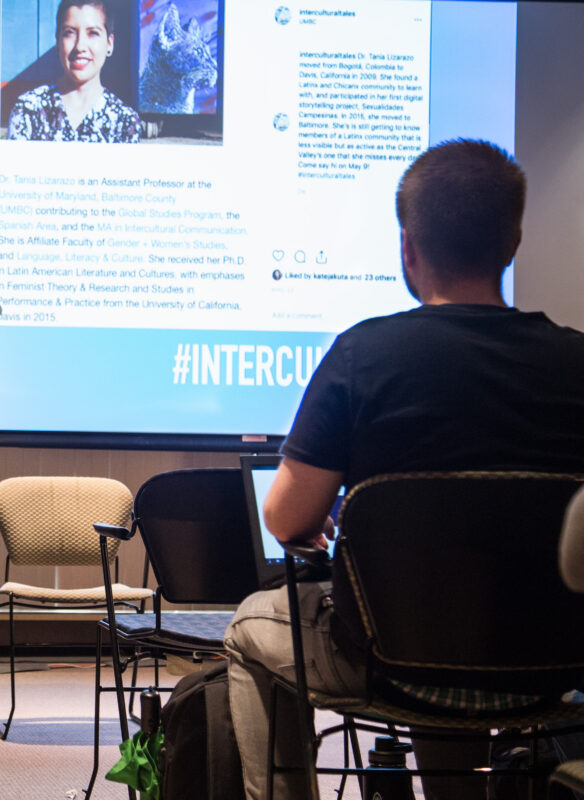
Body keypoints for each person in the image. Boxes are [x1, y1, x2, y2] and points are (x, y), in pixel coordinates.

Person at [223, 139, 584, 800]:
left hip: (395, 661)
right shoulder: (577, 363)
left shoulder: (363, 356)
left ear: (408, 248)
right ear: (514, 243)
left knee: (251, 626)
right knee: (456, 622)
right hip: (551, 664)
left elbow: (284, 517)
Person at [7, 0, 140, 143]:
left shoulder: (124, 121)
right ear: (58, 41)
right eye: (70, 33)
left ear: (109, 43)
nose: (80, 46)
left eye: (93, 33)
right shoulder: (29, 110)